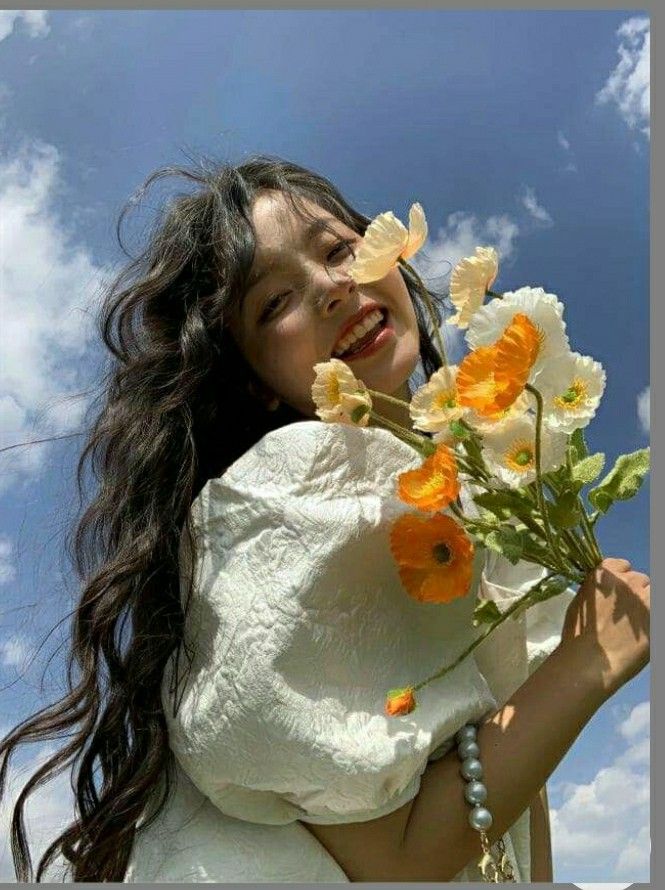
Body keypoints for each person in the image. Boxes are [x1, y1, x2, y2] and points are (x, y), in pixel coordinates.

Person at [0, 155, 650, 883]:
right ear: (256, 380)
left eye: (340, 248)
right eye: (272, 304)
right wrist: (585, 663)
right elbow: (399, 860)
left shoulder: (461, 479)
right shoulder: (286, 502)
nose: (330, 287)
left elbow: (510, 791)